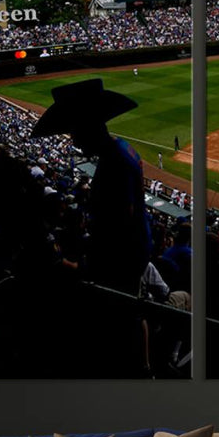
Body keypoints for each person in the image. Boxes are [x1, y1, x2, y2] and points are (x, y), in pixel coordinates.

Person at [31, 77, 149, 296]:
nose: (74, 142)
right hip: (130, 255)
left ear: (88, 129)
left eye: (75, 133)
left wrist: (87, 266)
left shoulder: (115, 161)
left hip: (120, 264)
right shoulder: (120, 149)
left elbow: (121, 222)